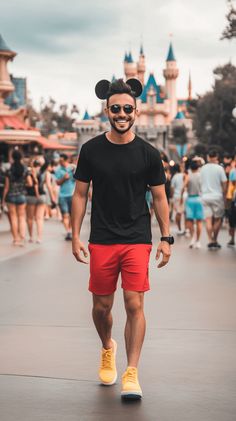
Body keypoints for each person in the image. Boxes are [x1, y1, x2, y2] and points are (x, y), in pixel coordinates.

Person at [71, 78, 173, 400]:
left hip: (136, 238)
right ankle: (107, 346)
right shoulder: (90, 150)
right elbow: (80, 194)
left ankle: (131, 372)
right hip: (102, 237)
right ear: (107, 110)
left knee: (134, 303)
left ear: (136, 111)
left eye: (127, 108)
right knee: (101, 308)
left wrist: (166, 237)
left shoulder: (148, 154)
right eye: (115, 108)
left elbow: (159, 198)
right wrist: (75, 235)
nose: (121, 113)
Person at [2, 150, 30, 246]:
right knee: (21, 217)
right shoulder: (25, 169)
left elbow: (6, 187)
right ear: (21, 157)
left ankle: (15, 239)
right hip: (22, 195)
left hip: (10, 196)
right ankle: (22, 237)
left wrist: (3, 200)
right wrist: (22, 184)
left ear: (12, 157)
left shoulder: (9, 170)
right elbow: (30, 183)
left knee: (13, 218)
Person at [200, 149, 227, 249]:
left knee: (208, 220)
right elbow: (224, 183)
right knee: (218, 219)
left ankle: (210, 240)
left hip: (205, 196)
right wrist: (224, 196)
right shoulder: (219, 168)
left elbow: (200, 182)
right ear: (216, 157)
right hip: (217, 196)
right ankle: (215, 240)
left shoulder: (202, 168)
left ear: (208, 157)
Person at [181, 160, 204, 248]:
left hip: (190, 199)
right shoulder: (200, 176)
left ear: (190, 168)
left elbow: (183, 187)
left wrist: (181, 195)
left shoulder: (188, 176)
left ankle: (192, 238)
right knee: (199, 221)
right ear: (198, 168)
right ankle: (198, 241)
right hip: (198, 199)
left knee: (190, 220)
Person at [26, 159, 47, 243]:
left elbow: (34, 183)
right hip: (42, 196)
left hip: (31, 196)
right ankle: (39, 238)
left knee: (30, 218)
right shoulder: (41, 172)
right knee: (40, 218)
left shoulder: (29, 172)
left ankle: (31, 237)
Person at [55, 154, 75, 240]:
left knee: (72, 215)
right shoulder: (58, 170)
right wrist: (64, 178)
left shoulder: (72, 168)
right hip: (62, 195)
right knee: (65, 215)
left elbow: (78, 179)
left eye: (62, 160)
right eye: (59, 161)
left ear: (66, 160)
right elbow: (58, 183)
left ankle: (70, 230)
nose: (60, 162)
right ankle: (68, 232)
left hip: (72, 194)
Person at [170, 163, 185, 234]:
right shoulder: (184, 175)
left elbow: (172, 188)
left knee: (178, 213)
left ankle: (179, 228)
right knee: (183, 213)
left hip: (176, 196)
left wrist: (172, 197)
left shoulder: (175, 177)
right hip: (184, 195)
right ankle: (184, 228)